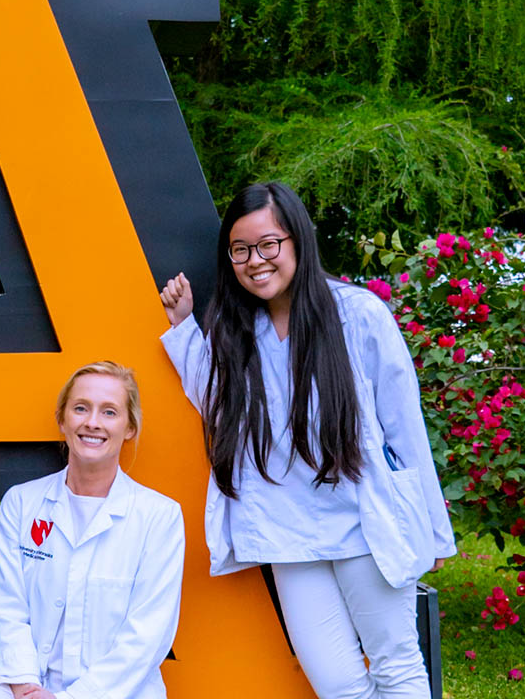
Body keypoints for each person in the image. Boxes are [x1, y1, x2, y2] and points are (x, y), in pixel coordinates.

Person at [159, 182, 456, 698]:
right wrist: (184, 327)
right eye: (241, 249)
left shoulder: (357, 314)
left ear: (297, 240)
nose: (256, 261)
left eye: (268, 244)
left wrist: (431, 527)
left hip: (364, 521)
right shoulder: (237, 328)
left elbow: (403, 423)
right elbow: (216, 401)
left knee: (395, 664)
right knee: (336, 681)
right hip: (289, 532)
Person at [0, 362, 185, 699]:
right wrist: (28, 687)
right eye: (81, 408)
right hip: (29, 688)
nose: (92, 422)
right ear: (62, 419)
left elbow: (147, 635)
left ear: (129, 427)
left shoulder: (159, 517)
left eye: (109, 412)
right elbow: (6, 607)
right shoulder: (22, 503)